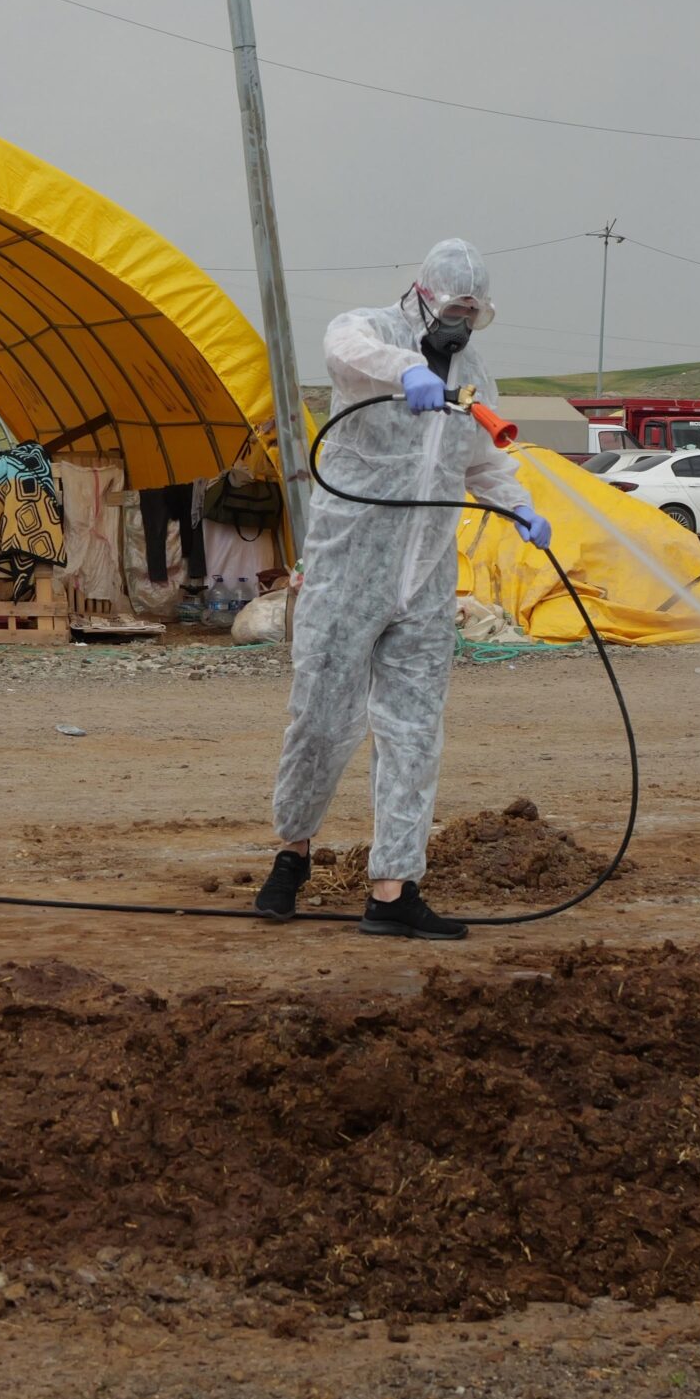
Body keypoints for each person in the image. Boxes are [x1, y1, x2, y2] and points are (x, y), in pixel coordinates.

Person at [254, 239, 552, 939]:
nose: (458, 323)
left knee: (415, 733)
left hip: (425, 577)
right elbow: (341, 351)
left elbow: (484, 460)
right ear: (423, 294)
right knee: (322, 718)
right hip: (350, 562)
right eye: (452, 308)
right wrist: (409, 371)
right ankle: (291, 855)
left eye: (471, 314)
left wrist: (522, 506)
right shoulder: (372, 334)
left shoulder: (474, 376)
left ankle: (393, 888)